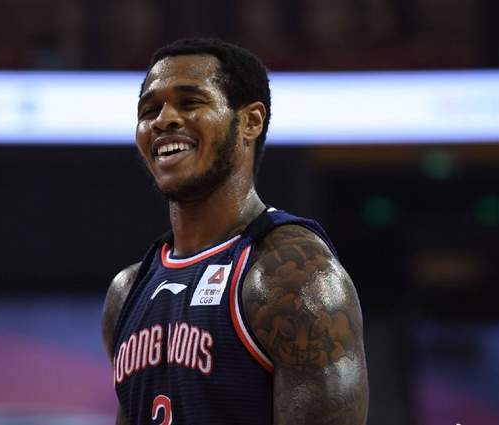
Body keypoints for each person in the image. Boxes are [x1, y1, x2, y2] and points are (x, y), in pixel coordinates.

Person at [102, 38, 368, 425]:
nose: (163, 120)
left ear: (250, 122)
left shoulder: (292, 276)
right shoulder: (127, 292)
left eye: (190, 102)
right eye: (149, 110)